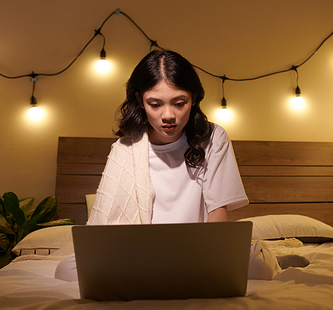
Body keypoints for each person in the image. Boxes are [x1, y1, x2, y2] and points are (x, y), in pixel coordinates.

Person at [55, 49, 306, 282]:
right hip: (140, 252)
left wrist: (212, 256)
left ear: (193, 99)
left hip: (199, 249)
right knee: (66, 270)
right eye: (155, 104)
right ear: (140, 100)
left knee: (258, 266)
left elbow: (217, 213)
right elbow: (105, 231)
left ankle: (276, 261)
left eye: (179, 102)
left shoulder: (214, 138)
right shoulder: (125, 149)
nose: (168, 115)